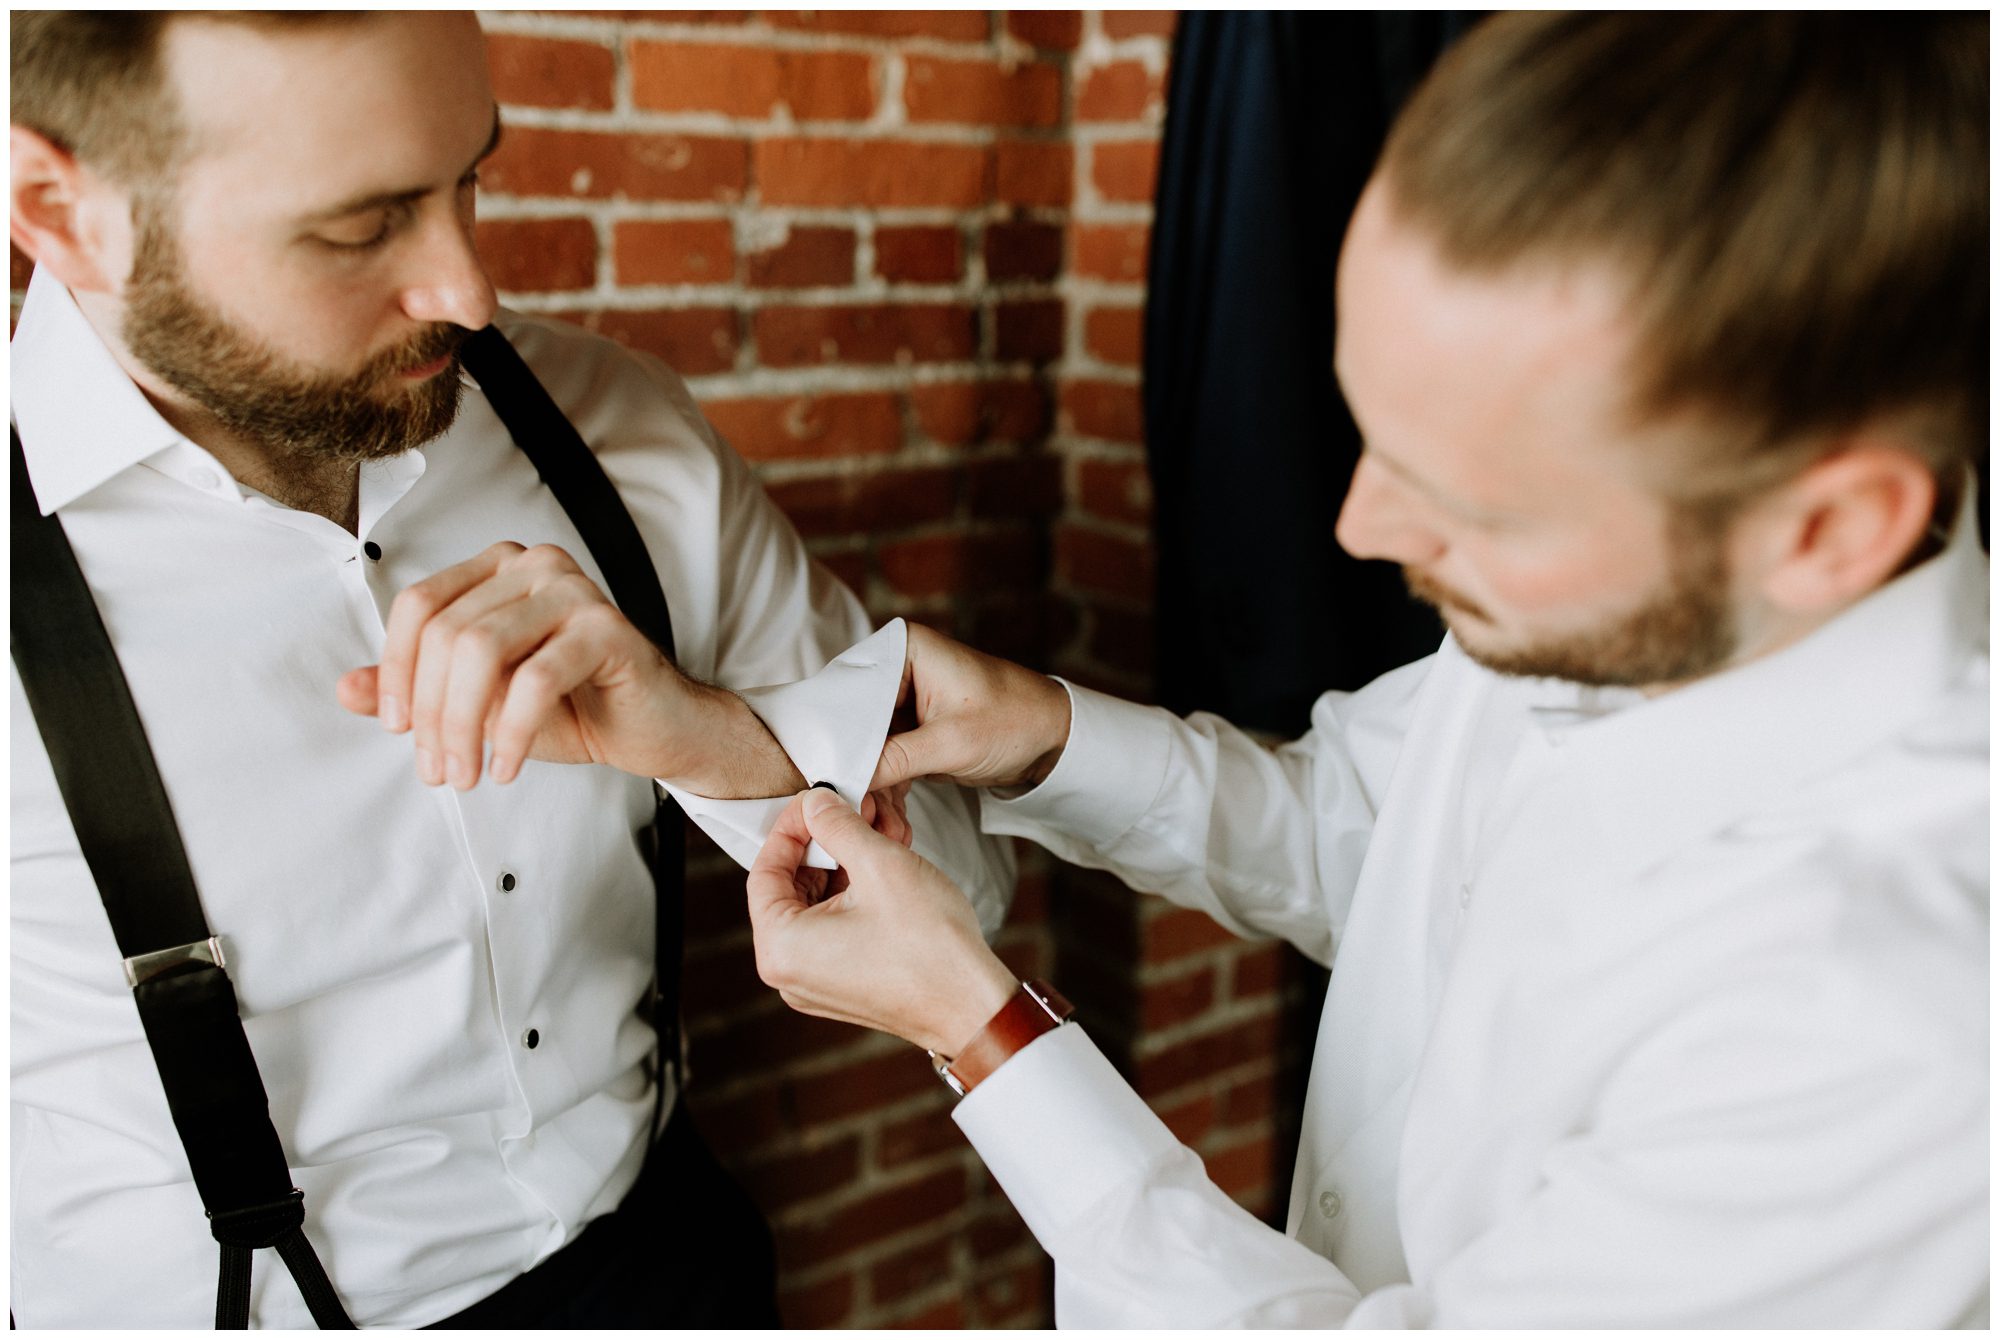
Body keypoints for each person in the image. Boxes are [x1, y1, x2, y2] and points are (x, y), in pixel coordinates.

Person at [728, 12, 1988, 1327]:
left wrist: (984, 1032)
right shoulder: (1639, 588)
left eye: (1472, 502)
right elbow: (1369, 834)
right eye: (1369, 432)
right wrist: (1049, 736)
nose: (1363, 530)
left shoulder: (1897, 1031)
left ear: (1829, 532)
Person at [8, 11, 1011, 1329]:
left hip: (673, 1259)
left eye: (467, 179)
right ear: (59, 210)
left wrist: (712, 740)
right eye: (363, 226)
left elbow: (964, 885)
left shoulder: (618, 429)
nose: (468, 290)